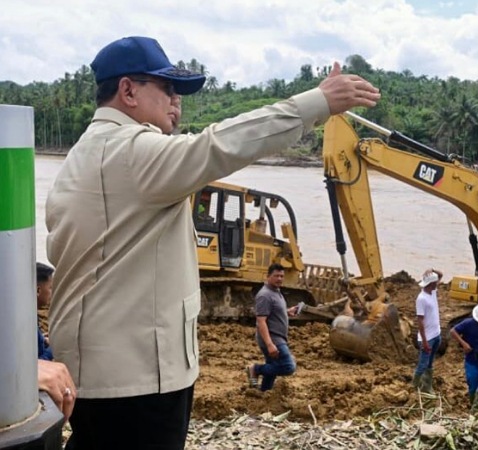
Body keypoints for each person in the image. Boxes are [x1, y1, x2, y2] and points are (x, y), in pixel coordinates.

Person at [45, 35, 379, 450]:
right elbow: (220, 144)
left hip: (90, 375)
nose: (176, 101)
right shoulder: (133, 152)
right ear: (128, 90)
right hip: (139, 383)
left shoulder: (82, 156)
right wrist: (317, 103)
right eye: (167, 88)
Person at [246, 264, 300, 391]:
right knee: (288, 367)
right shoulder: (265, 295)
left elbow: (272, 312)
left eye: (281, 276)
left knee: (273, 367)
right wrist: (269, 344)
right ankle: (255, 369)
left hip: (277, 338)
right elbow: (261, 321)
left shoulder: (276, 292)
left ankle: (264, 393)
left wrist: (287, 312)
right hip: (273, 339)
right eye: (276, 276)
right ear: (268, 276)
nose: (279, 279)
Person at [411, 268, 443, 393]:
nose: (437, 284)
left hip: (436, 334)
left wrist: (432, 269)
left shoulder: (432, 292)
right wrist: (424, 341)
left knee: (429, 363)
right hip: (428, 338)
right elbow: (420, 321)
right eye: (435, 283)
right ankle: (414, 386)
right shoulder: (421, 298)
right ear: (431, 284)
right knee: (423, 364)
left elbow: (441, 275)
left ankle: (427, 386)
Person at [36, 262, 55, 361]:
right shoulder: (27, 322)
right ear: (38, 291)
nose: (52, 292)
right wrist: (53, 347)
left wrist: (42, 340)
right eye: (50, 288)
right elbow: (38, 363)